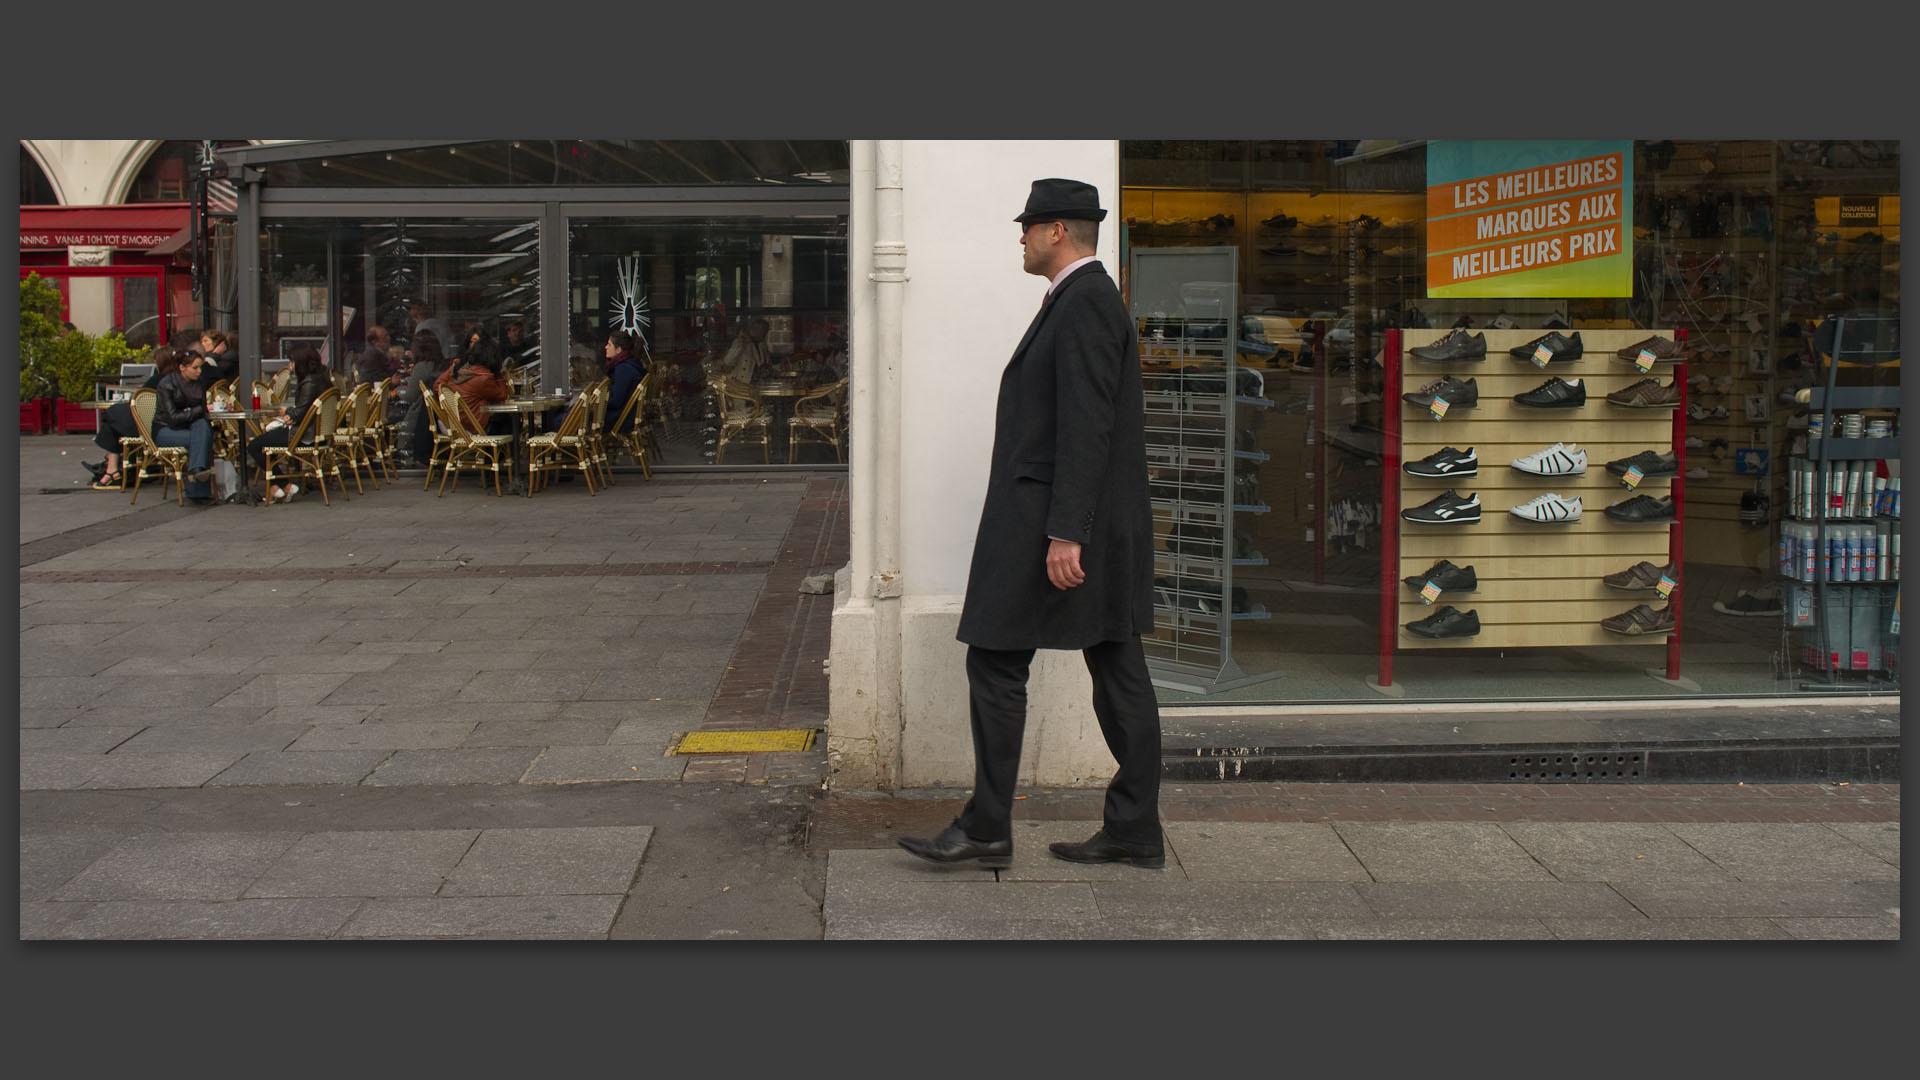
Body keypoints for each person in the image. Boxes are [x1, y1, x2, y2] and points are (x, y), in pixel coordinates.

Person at [896, 178, 1163, 869]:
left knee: (999, 659)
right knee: (1115, 668)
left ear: (1057, 233)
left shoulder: (1086, 304)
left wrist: (1066, 530)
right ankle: (1130, 830)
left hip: (1066, 525)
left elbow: (1087, 426)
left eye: (1028, 226)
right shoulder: (1080, 301)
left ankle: (990, 829)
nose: (1019, 237)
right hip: (1075, 521)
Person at [246, 343, 331, 503]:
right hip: (317, 434)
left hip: (303, 435)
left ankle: (281, 485)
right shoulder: (322, 379)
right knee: (268, 440)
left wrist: (287, 411)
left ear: (300, 362)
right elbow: (307, 410)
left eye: (292, 362)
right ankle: (279, 487)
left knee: (255, 446)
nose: (290, 366)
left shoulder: (309, 382)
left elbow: (299, 413)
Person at [86, 347, 180, 490]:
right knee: (115, 421)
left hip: (150, 426)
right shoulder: (178, 379)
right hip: (160, 422)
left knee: (114, 416)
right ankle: (111, 467)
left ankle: (111, 468)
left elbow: (140, 403)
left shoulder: (157, 380)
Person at [151, 348, 220, 506]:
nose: (199, 371)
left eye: (200, 367)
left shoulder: (199, 383)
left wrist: (200, 411)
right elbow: (173, 418)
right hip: (165, 429)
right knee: (202, 437)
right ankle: (198, 488)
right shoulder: (166, 384)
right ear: (182, 368)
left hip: (190, 427)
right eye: (195, 368)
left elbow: (200, 414)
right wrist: (200, 410)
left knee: (202, 426)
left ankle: (196, 472)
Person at [436, 336, 512, 434]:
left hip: (458, 424)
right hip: (475, 427)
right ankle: (509, 449)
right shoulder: (483, 377)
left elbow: (436, 386)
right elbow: (502, 395)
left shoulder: (461, 371)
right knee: (508, 419)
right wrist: (500, 373)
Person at [401, 329, 451, 462]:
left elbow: (410, 396)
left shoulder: (422, 367)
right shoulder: (443, 365)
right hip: (442, 418)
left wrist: (397, 390)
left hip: (420, 420)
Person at [603, 329, 647, 433]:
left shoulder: (623, 369)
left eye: (609, 345)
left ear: (618, 350)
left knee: (561, 420)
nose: (606, 347)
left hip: (617, 419)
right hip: (625, 417)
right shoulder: (631, 365)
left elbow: (615, 400)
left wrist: (596, 403)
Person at [720, 317, 769, 383]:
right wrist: (740, 343)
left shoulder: (761, 345)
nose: (766, 334)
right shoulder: (741, 343)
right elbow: (728, 361)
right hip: (740, 383)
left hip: (756, 384)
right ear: (756, 329)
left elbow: (764, 365)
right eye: (764, 330)